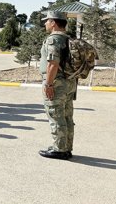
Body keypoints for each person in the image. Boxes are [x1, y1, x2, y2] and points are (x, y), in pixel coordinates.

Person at [38, 11, 77, 160]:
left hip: (57, 83)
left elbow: (53, 64)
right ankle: (66, 147)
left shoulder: (53, 40)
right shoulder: (68, 38)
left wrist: (48, 84)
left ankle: (59, 149)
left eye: (47, 21)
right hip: (69, 82)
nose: (45, 23)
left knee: (55, 115)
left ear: (54, 22)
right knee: (67, 116)